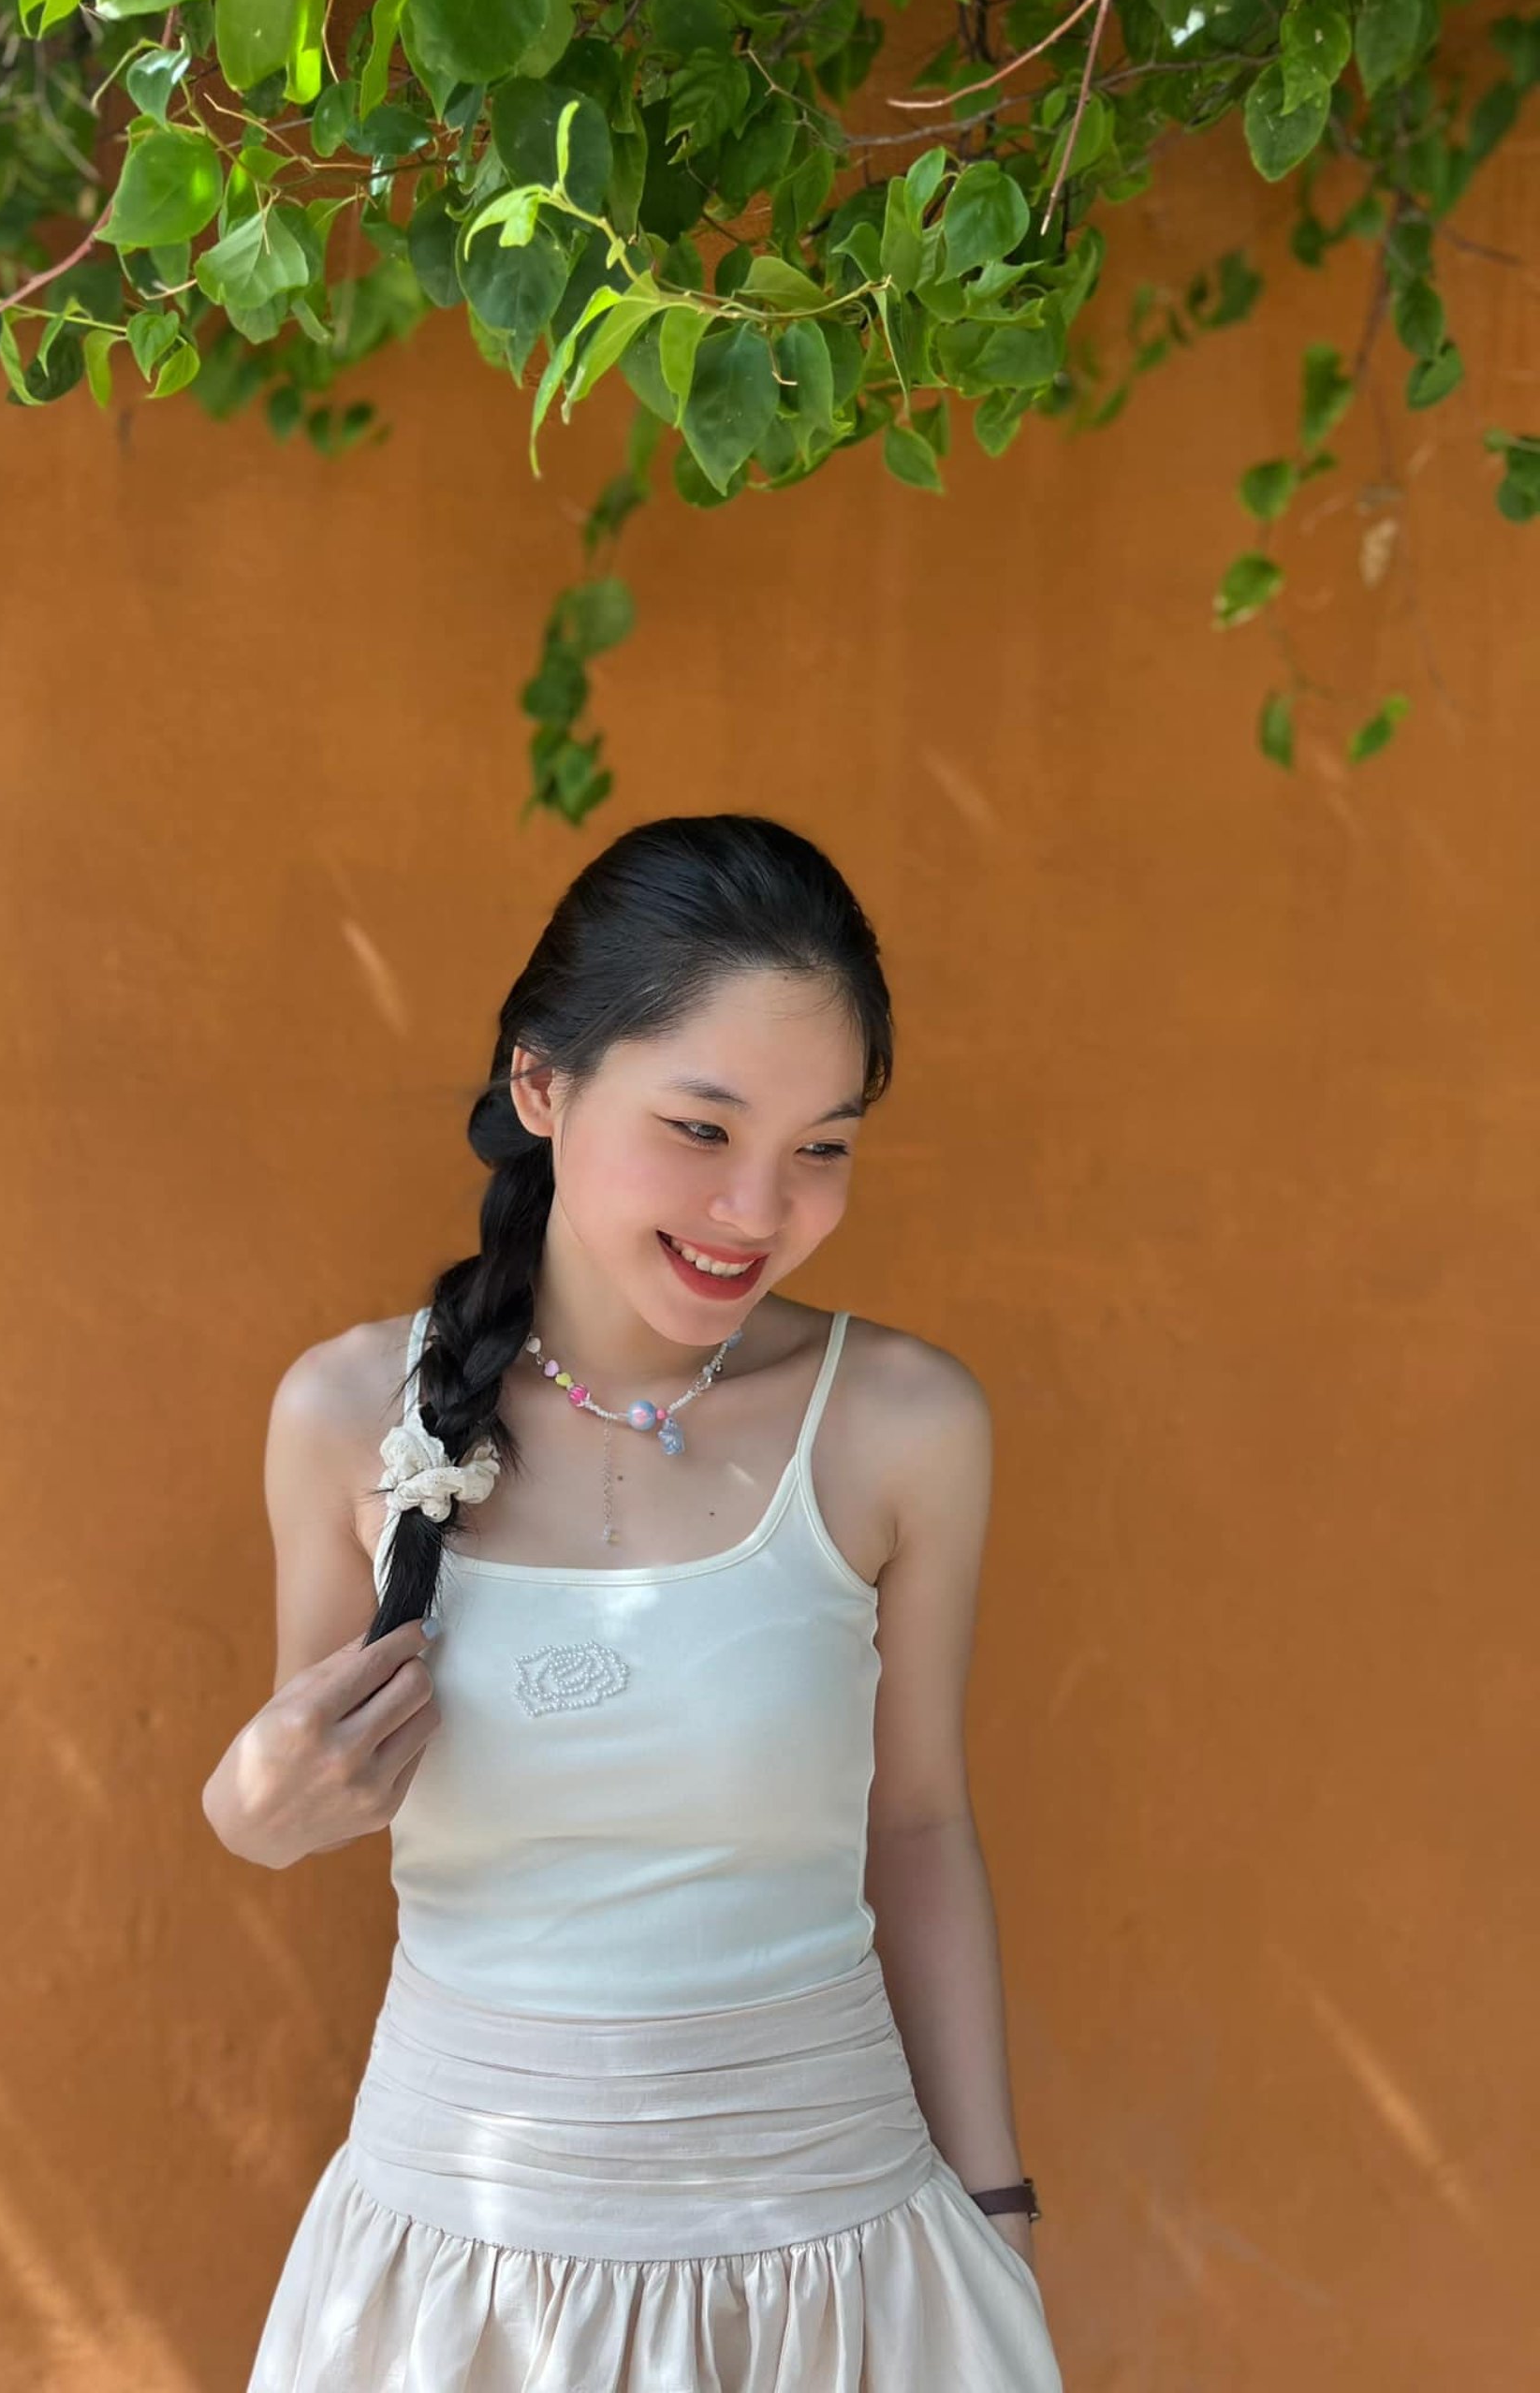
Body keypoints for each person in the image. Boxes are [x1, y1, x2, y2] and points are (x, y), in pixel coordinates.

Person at [203, 814, 1065, 2390]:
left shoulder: (900, 1426)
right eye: (702, 1127)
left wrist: (993, 2210)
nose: (760, 1206)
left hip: (834, 2272)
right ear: (543, 1085)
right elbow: (301, 1795)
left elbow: (919, 1826)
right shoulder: (347, 1415)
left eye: (823, 1146)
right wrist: (251, 1804)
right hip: (454, 2290)